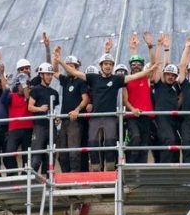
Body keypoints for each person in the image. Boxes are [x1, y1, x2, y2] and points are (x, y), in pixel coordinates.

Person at [62, 40, 156, 172]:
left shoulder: (116, 79)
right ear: (101, 65)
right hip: (95, 117)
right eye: (106, 64)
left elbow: (134, 76)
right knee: (93, 143)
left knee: (111, 142)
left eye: (111, 64)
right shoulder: (93, 78)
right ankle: (96, 168)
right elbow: (75, 73)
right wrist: (60, 61)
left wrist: (149, 70)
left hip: (110, 117)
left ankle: (111, 167)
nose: (108, 66)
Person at [122, 32, 157, 164]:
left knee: (144, 143)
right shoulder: (126, 80)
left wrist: (150, 46)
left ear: (142, 66)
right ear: (130, 66)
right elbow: (125, 99)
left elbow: (153, 64)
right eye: (133, 64)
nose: (136, 66)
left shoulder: (146, 78)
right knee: (135, 137)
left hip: (146, 116)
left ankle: (141, 169)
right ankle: (130, 164)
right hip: (132, 116)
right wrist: (132, 109)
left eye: (139, 64)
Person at [54, 52, 89, 172]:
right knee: (62, 154)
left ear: (77, 67)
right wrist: (56, 59)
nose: (68, 68)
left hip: (75, 121)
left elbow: (85, 99)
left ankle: (75, 177)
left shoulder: (81, 81)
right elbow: (55, 72)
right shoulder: (66, 80)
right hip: (64, 120)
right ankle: (65, 177)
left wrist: (77, 110)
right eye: (67, 66)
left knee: (73, 152)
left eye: (71, 66)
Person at [151, 35, 182, 163]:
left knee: (177, 142)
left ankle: (174, 169)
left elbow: (170, 66)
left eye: (173, 75)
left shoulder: (176, 87)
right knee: (169, 140)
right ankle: (165, 168)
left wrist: (168, 48)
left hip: (174, 119)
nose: (170, 77)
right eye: (168, 74)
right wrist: (160, 46)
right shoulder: (159, 84)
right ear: (164, 75)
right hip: (162, 118)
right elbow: (157, 65)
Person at [29, 61, 60, 173]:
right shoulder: (35, 90)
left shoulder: (54, 92)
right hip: (39, 127)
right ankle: (32, 180)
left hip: (52, 127)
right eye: (47, 74)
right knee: (36, 158)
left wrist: (56, 117)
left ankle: (47, 181)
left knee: (50, 157)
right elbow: (30, 107)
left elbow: (54, 109)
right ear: (41, 75)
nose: (50, 77)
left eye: (51, 74)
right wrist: (40, 109)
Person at [3, 73, 34, 171]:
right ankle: (13, 173)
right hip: (14, 129)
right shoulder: (12, 96)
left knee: (27, 154)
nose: (23, 86)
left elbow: (28, 98)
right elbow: (4, 101)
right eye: (20, 84)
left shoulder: (31, 97)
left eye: (25, 84)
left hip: (27, 128)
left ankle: (26, 174)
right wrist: (7, 86)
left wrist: (25, 85)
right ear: (17, 86)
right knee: (9, 153)